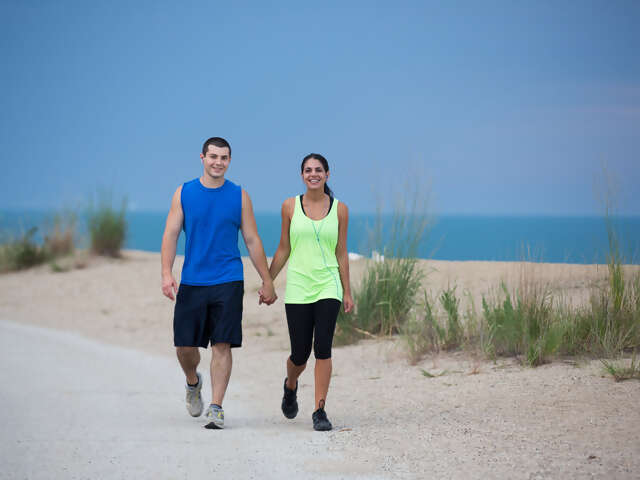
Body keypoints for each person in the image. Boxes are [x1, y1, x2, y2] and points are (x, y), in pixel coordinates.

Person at [161, 136, 276, 430]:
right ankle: (192, 382)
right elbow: (171, 234)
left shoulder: (239, 196)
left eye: (224, 158)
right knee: (184, 346)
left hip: (228, 279)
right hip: (193, 280)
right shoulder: (184, 193)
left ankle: (216, 407)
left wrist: (267, 280)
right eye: (213, 156)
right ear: (202, 158)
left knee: (222, 344)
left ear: (229, 161)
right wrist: (166, 273)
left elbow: (252, 239)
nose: (218, 162)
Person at [267, 153, 354, 431]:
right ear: (302, 175)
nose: (313, 174)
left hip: (329, 285)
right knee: (300, 353)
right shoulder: (289, 206)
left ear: (327, 174)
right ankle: (291, 384)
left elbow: (341, 252)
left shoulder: (340, 210)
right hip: (299, 286)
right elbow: (284, 248)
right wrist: (268, 280)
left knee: (323, 347)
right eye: (308, 170)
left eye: (318, 170)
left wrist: (347, 291)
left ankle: (319, 410)